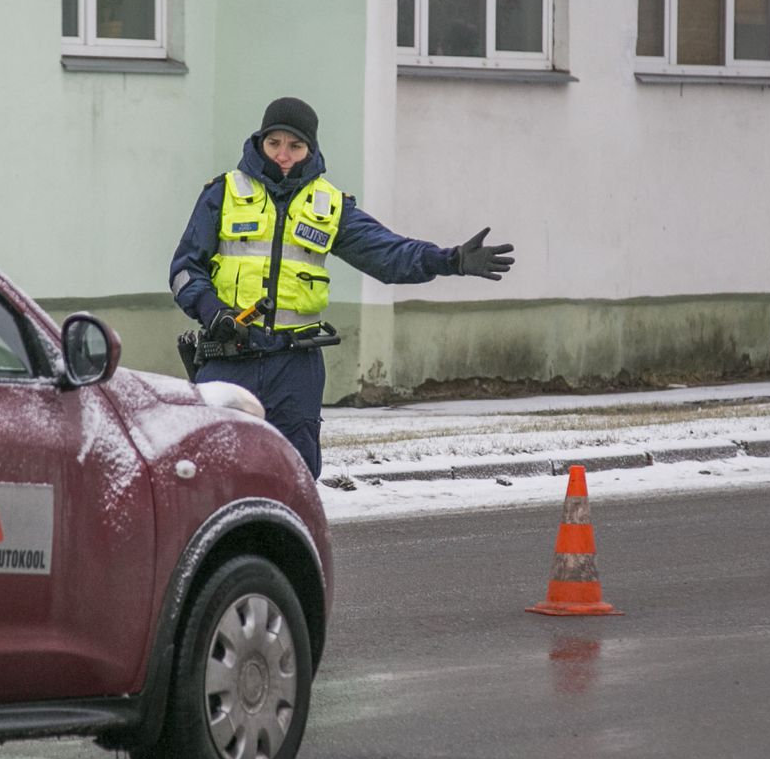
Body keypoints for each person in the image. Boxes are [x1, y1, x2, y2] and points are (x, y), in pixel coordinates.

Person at [168, 96, 514, 477]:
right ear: (260, 141)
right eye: (274, 143)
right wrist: (213, 311)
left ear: (310, 149)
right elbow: (185, 270)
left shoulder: (329, 205)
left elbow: (389, 255)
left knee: (295, 475)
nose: (283, 155)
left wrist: (451, 260)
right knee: (209, 472)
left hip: (295, 364)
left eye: (295, 146)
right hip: (229, 357)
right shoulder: (222, 193)